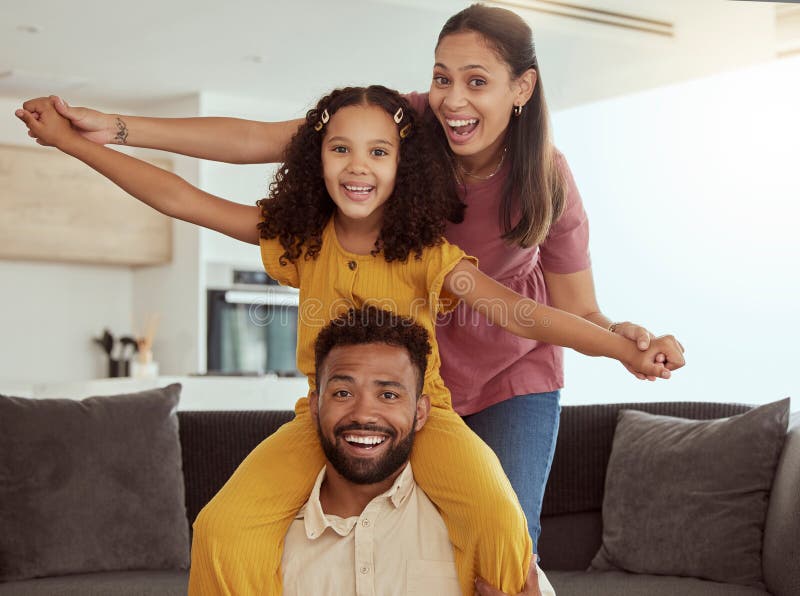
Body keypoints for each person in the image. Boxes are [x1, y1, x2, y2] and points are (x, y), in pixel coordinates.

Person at [26, 4, 685, 555]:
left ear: (522, 89)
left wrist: (624, 343)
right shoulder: (396, 129)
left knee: (501, 531)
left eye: (478, 81)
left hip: (501, 381)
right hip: (393, 391)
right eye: (442, 77)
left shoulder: (517, 198)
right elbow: (226, 165)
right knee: (284, 534)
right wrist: (103, 132)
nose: (453, 98)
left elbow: (534, 314)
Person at [287, 304, 554, 596]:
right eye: (343, 393)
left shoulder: (475, 524)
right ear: (315, 406)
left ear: (421, 412)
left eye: (388, 395)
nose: (363, 414)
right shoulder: (269, 542)